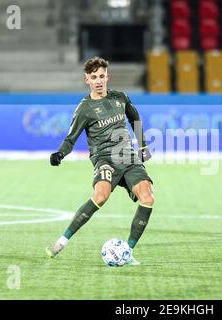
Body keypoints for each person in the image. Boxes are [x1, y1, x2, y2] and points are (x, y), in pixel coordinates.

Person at [46, 57, 154, 265]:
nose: (98, 81)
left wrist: (142, 145)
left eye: (101, 76)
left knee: (148, 197)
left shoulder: (120, 98)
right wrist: (60, 154)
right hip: (105, 158)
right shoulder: (84, 108)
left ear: (108, 77)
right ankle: (61, 241)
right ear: (86, 79)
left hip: (129, 157)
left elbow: (135, 119)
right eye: (93, 77)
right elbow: (71, 138)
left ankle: (127, 252)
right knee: (101, 196)